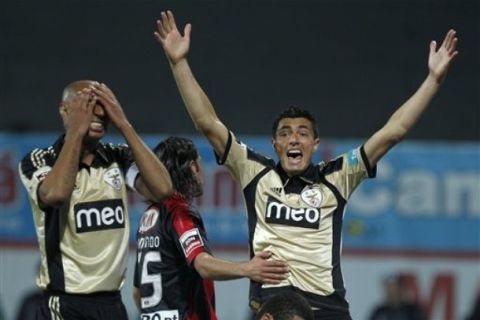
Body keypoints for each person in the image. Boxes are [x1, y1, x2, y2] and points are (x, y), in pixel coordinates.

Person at [154, 10, 458, 320]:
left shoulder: (337, 177)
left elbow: (393, 132)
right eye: (285, 134)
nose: (294, 139)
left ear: (315, 144)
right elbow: (208, 123)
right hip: (274, 306)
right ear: (275, 145)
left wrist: (433, 80)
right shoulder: (255, 173)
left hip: (327, 310)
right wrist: (178, 63)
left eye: (303, 133)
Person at [18, 80, 173, 319]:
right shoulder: (41, 160)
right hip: (65, 304)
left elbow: (162, 190)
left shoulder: (117, 158)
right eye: (87, 104)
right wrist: (76, 133)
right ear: (64, 109)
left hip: (112, 305)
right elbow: (56, 194)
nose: (99, 112)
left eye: (103, 104)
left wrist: (123, 123)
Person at [133, 136, 289, 320]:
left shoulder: (148, 217)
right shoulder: (179, 211)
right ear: (193, 167)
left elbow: (137, 293)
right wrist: (248, 269)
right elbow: (202, 264)